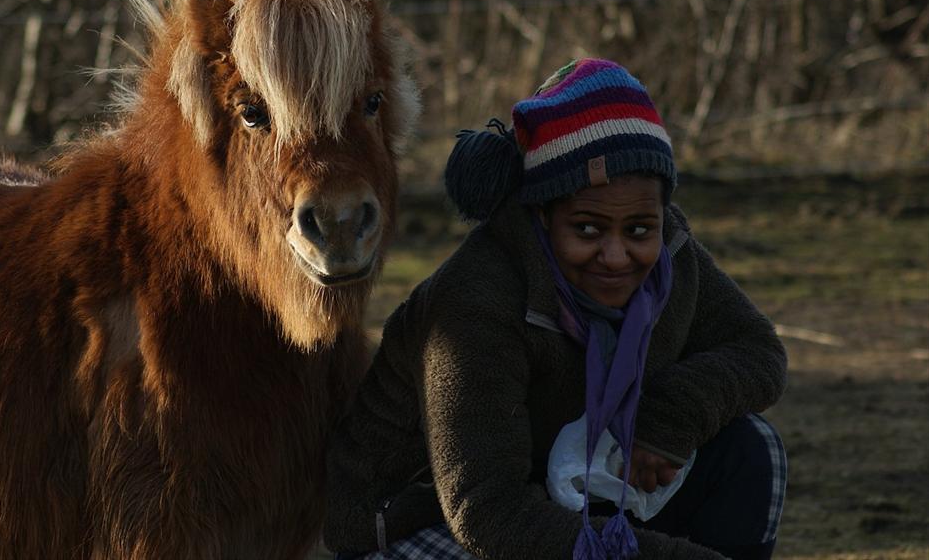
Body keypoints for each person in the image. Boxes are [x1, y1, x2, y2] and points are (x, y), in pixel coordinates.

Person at [324, 59, 788, 560]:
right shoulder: (475, 302)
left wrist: (668, 420)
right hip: (427, 520)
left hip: (560, 490)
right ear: (542, 215)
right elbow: (487, 515)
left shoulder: (672, 254)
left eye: (638, 229)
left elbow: (759, 352)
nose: (615, 256)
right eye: (586, 229)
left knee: (749, 447)